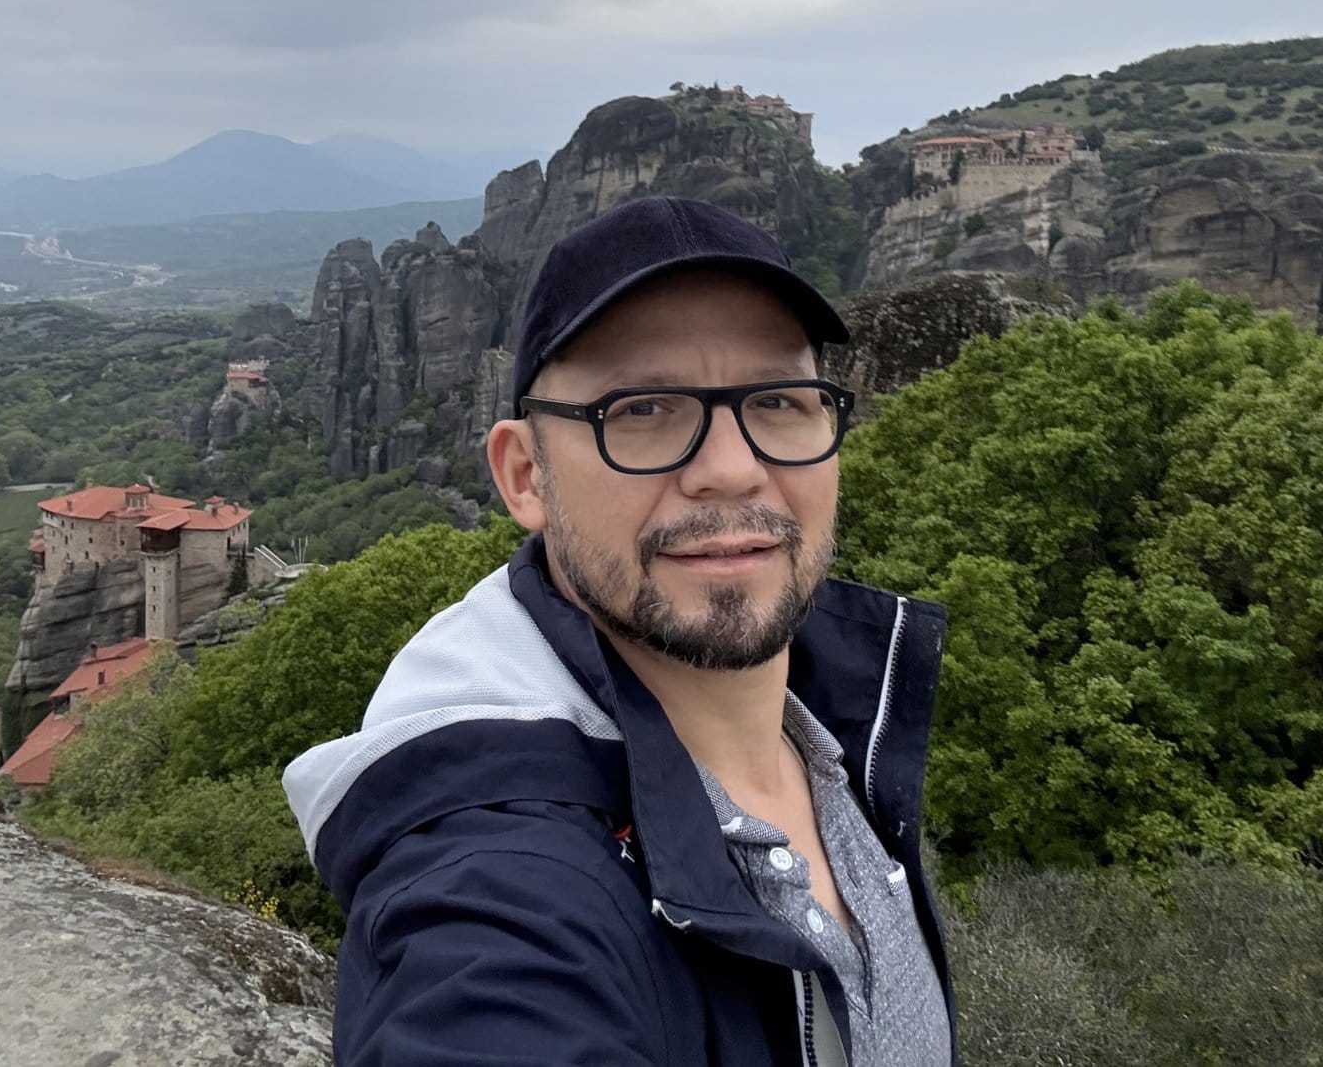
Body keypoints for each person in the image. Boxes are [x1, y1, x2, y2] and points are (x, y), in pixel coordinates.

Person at [284, 196, 955, 1065]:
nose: (730, 469)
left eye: (780, 400)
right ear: (526, 475)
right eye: (642, 410)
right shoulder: (506, 875)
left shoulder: (840, 718)